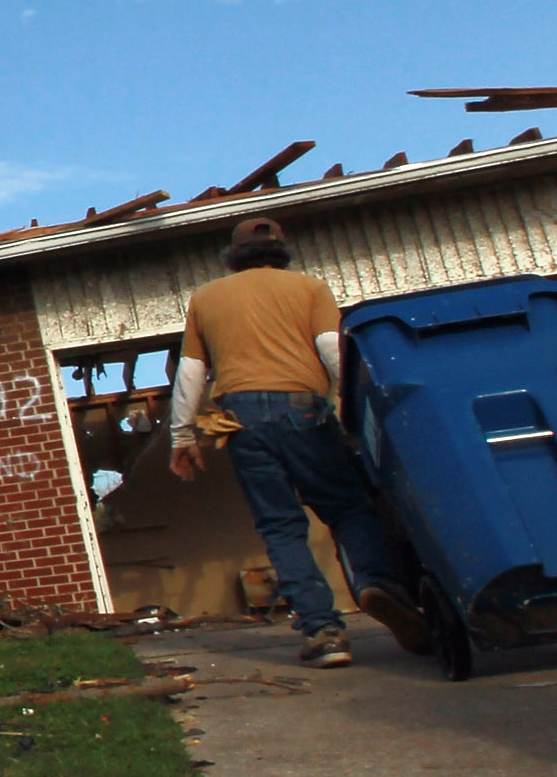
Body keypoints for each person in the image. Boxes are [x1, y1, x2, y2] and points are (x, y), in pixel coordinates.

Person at [169, 216, 409, 667]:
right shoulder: (310, 288)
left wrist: (182, 436)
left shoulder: (206, 299)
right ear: (282, 251)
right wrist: (357, 412)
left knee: (280, 525)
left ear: (233, 255)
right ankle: (379, 583)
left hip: (238, 420)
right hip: (303, 410)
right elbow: (332, 350)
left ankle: (323, 631)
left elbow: (191, 373)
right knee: (348, 507)